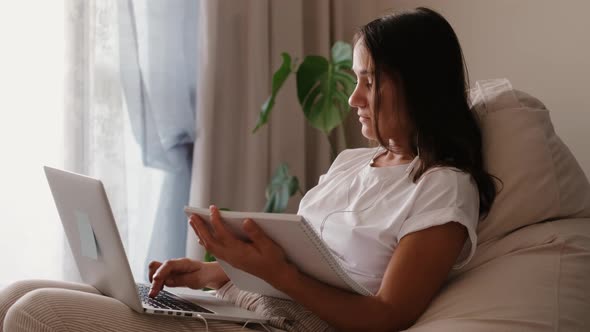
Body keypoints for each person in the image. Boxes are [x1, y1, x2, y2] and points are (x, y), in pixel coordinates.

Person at [0, 7, 496, 332]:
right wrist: (212, 272)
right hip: (247, 305)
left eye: (370, 81)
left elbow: (387, 317)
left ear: (418, 85)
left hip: (281, 324)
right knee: (14, 293)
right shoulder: (352, 163)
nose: (352, 98)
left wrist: (273, 272)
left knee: (35, 314)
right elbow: (303, 263)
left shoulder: (442, 188)